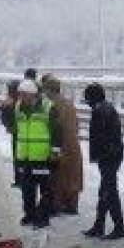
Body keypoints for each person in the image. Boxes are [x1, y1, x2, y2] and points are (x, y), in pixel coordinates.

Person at [0, 79, 61, 228]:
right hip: (25, 156)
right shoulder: (18, 107)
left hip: (43, 156)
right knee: (27, 189)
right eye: (20, 94)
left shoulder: (48, 107)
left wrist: (55, 151)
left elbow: (57, 131)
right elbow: (11, 127)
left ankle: (43, 217)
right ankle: (30, 214)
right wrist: (5, 110)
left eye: (24, 94)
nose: (21, 97)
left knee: (46, 190)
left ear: (33, 94)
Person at [83, 82, 124, 239]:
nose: (87, 102)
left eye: (87, 98)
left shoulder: (101, 111)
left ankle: (119, 227)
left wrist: (101, 155)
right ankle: (99, 225)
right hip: (111, 155)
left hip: (109, 157)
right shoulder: (105, 108)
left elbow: (102, 137)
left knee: (109, 192)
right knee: (105, 191)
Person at [41, 74, 83, 215]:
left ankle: (57, 205)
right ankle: (72, 205)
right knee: (72, 176)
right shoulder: (69, 103)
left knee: (58, 176)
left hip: (61, 145)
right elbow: (76, 125)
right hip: (73, 145)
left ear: (50, 90)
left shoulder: (52, 105)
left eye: (45, 89)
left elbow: (54, 128)